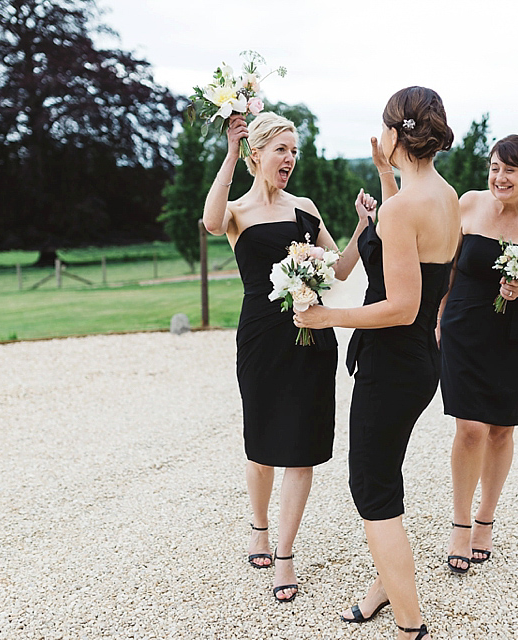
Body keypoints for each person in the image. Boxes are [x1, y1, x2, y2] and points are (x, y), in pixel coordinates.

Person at [295, 86, 458, 640]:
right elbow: (408, 261)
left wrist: (327, 318)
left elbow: (402, 305)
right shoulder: (444, 195)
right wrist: (385, 180)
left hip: (393, 364)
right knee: (385, 473)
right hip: (417, 363)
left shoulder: (404, 208)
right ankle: (384, 588)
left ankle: (411, 623)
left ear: (395, 134)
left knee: (370, 486)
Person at [202, 111, 369, 602]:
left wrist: (362, 227)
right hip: (261, 338)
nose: (290, 159)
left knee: (301, 447)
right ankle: (258, 526)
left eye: (294, 151)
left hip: (311, 335)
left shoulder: (305, 208)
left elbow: (337, 269)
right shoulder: (237, 212)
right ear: (257, 155)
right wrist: (229, 154)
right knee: (261, 441)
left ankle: (286, 554)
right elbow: (212, 222)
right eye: (281, 150)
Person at [439, 134, 518, 574]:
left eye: (510, 170)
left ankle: (485, 520)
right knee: (470, 427)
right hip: (462, 326)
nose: (499, 177)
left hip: (514, 332)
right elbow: (448, 267)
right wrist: (437, 317)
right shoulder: (468, 204)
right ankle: (459, 524)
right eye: (494, 167)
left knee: (500, 430)